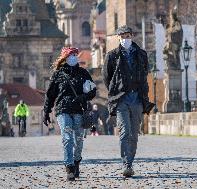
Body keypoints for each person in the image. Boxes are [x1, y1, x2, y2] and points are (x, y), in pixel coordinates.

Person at [102, 25, 154, 177]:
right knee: (124, 132)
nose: (125, 39)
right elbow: (107, 78)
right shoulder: (112, 56)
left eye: (128, 36)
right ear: (118, 38)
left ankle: (130, 160)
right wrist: (116, 90)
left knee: (134, 134)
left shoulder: (142, 54)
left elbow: (145, 74)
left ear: (132, 36)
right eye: (122, 36)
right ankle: (127, 164)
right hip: (121, 100)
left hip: (137, 99)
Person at [43, 47, 96, 181]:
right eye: (70, 55)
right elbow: (50, 95)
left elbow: (93, 91)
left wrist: (82, 98)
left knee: (78, 140)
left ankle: (76, 161)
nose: (73, 57)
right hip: (63, 109)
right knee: (67, 137)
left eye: (75, 55)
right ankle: (69, 166)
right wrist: (46, 111)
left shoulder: (83, 73)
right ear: (65, 58)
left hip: (78, 109)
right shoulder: (58, 74)